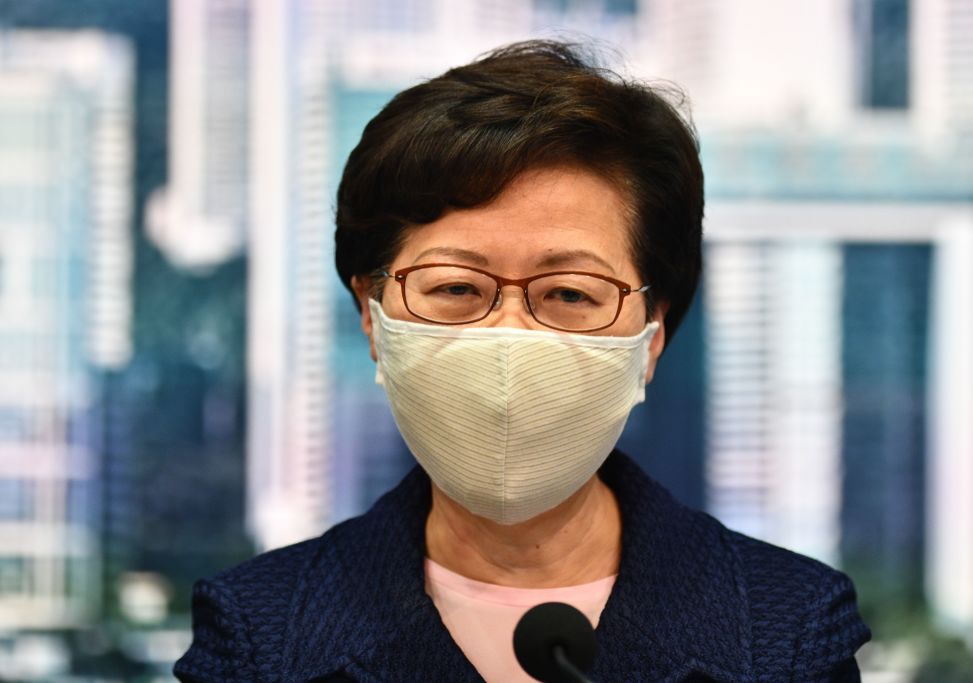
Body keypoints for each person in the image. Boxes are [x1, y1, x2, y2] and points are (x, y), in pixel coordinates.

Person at [174, 40, 870, 682]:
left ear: (652, 336)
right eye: (456, 289)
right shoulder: (260, 635)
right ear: (372, 316)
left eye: (569, 292)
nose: (509, 337)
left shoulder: (788, 633)